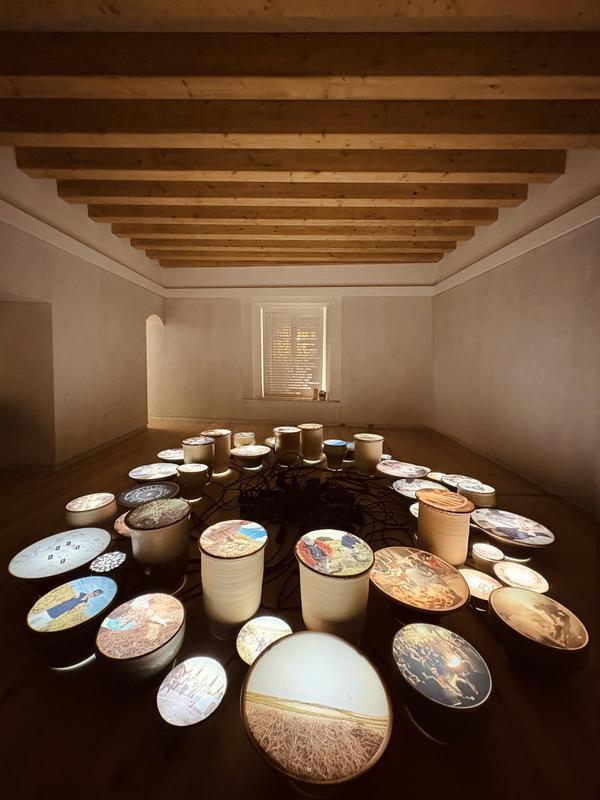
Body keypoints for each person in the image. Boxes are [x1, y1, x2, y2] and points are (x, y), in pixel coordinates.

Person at [29, 588, 104, 631]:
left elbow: (75, 609)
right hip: (60, 606)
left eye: (95, 594)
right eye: (95, 592)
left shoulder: (85, 602)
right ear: (93, 591)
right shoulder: (81, 593)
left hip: (63, 611)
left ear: (95, 596)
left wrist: (68, 612)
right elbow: (67, 597)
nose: (93, 594)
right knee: (40, 615)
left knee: (44, 620)